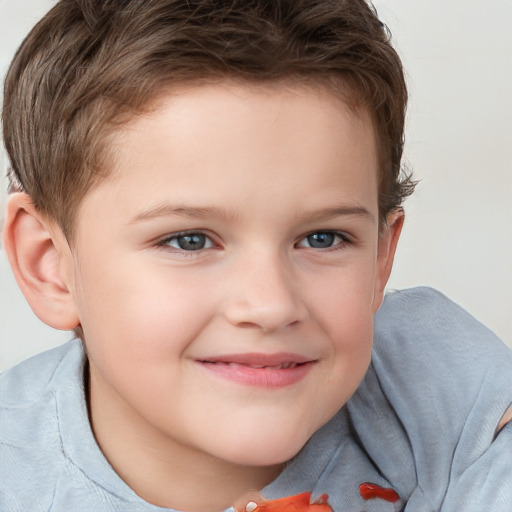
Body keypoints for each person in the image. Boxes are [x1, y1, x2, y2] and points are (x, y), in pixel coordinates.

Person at [0, 1, 510, 511]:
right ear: (51, 266)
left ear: (380, 257)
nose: (270, 305)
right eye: (189, 240)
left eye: (322, 238)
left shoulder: (446, 397)